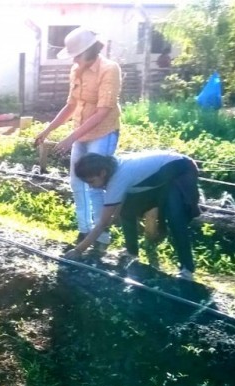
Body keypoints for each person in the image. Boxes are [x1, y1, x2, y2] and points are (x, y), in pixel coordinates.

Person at [35, 27, 122, 252]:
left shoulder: (109, 69)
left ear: (89, 51)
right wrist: (48, 131)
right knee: (76, 182)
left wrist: (70, 138)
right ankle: (84, 230)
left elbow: (103, 111)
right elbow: (71, 105)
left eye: (76, 54)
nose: (73, 59)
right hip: (80, 133)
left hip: (102, 132)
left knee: (95, 184)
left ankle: (100, 236)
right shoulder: (76, 70)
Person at [65, 151, 201, 281]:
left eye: (92, 182)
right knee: (127, 210)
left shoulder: (118, 178)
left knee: (175, 218)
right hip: (160, 177)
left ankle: (187, 269)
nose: (91, 187)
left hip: (181, 169)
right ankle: (132, 253)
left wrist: (78, 250)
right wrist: (114, 216)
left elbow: (102, 223)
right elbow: (119, 202)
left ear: (102, 173)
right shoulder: (113, 169)